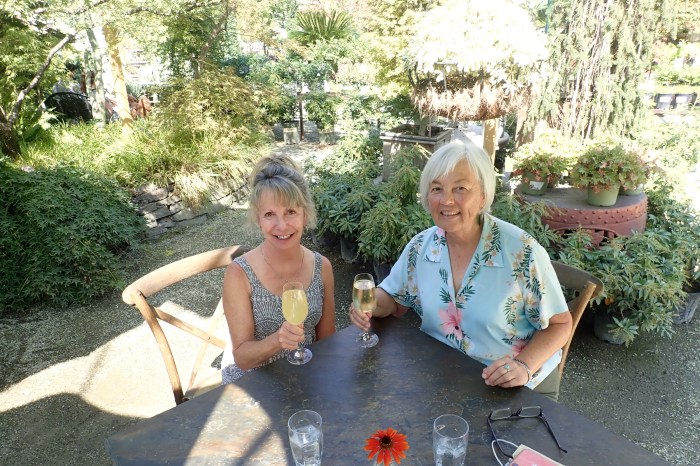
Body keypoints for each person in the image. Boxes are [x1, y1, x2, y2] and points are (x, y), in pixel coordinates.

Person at [350, 140, 572, 401]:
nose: (446, 200)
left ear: (483, 196)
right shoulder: (422, 247)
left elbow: (560, 324)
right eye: (437, 188)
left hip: (515, 387)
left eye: (460, 188)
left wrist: (523, 366)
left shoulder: (521, 252)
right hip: (444, 375)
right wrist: (370, 304)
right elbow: (395, 299)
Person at [221, 154, 336, 383]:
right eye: (269, 214)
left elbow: (327, 341)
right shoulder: (239, 273)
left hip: (306, 376)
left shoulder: (322, 267)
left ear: (305, 214)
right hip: (256, 382)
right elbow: (242, 358)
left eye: (290, 212)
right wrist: (278, 340)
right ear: (258, 220)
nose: (281, 226)